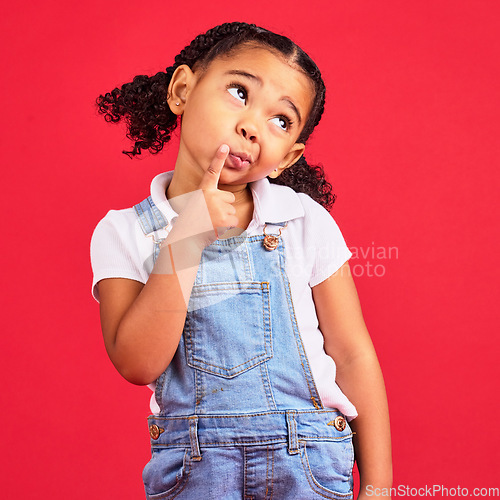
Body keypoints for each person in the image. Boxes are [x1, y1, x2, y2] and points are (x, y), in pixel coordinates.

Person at [90, 22, 392, 499]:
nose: (252, 125)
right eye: (238, 91)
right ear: (182, 89)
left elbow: (352, 354)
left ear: (289, 157)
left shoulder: (301, 222)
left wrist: (378, 487)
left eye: (281, 121)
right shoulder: (124, 232)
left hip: (309, 464)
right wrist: (187, 236)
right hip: (195, 472)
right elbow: (137, 363)